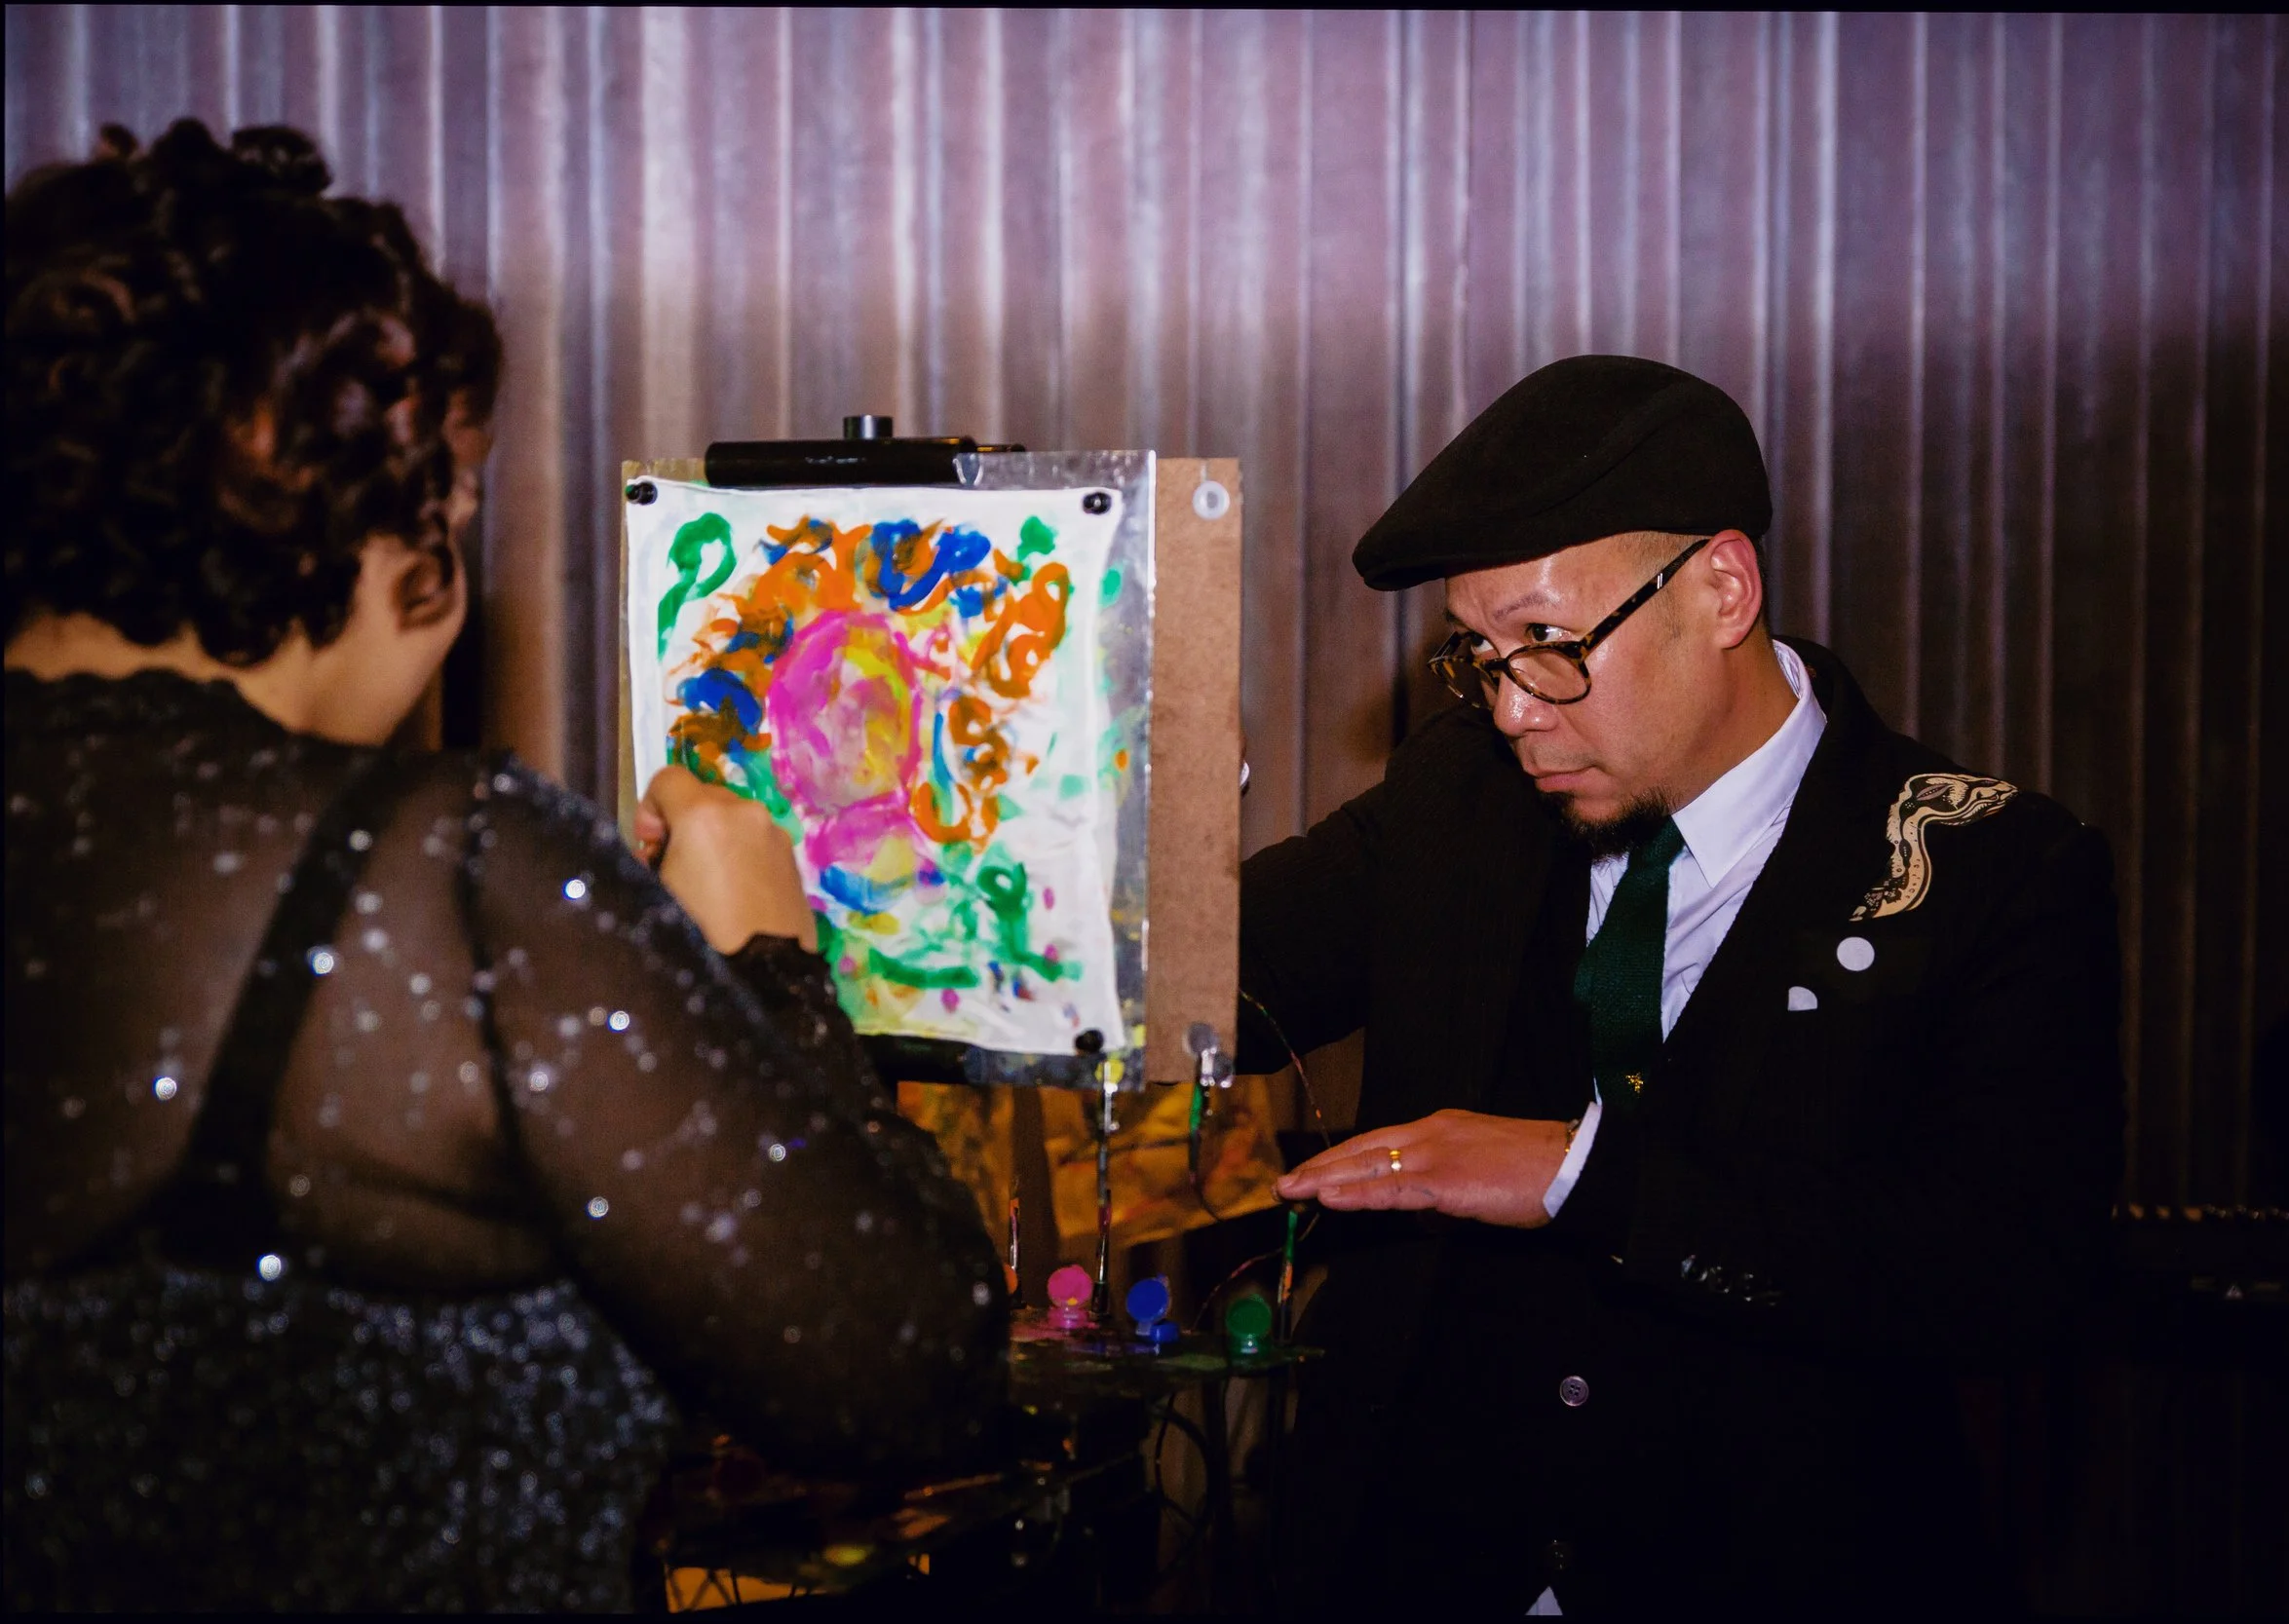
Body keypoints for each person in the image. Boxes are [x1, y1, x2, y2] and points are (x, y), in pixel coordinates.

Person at [3, 121, 1005, 1611]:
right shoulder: (431, 877)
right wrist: (770, 971)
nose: (456, 585)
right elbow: (903, 1358)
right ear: (294, 484)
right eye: (452, 512)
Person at [1244, 356, 2124, 1610]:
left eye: (1548, 645)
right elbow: (1217, 974)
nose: (1511, 710)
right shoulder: (1460, 802)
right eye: (1477, 655)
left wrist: (1575, 1177)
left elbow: (2003, 1280)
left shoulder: (1981, 866)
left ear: (1720, 587)